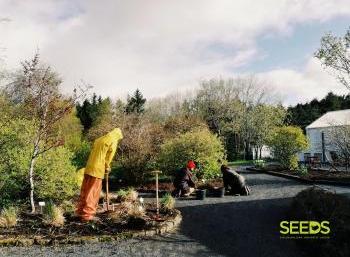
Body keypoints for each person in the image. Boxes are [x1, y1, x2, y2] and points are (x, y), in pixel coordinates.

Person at [76, 128, 123, 222]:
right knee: (93, 193)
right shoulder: (113, 141)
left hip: (89, 167)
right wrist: (107, 167)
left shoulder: (100, 139)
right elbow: (108, 158)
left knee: (85, 190)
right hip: (97, 169)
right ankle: (87, 215)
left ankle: (80, 212)